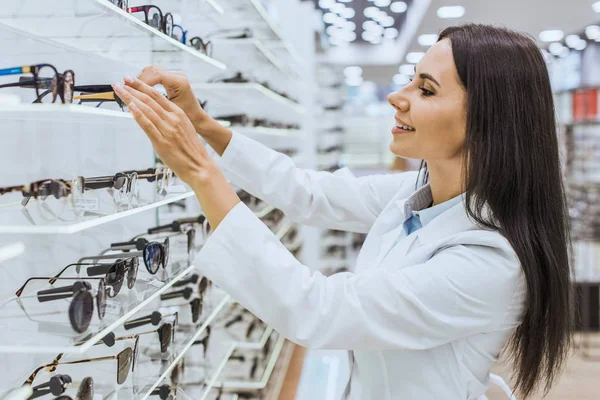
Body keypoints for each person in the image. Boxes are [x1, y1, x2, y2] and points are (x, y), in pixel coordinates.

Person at [111, 23, 572, 400]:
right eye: (412, 78)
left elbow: (317, 310)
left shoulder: (488, 262)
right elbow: (309, 193)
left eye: (426, 90)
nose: (398, 95)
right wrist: (204, 126)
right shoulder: (419, 194)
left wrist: (198, 170)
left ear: (487, 120)